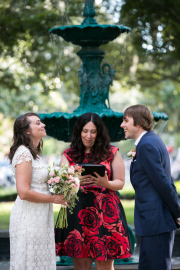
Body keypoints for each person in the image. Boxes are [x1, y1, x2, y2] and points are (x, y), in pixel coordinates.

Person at [55, 112, 131, 270]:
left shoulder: (111, 152)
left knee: (105, 264)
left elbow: (120, 183)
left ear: (99, 133)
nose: (88, 135)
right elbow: (60, 186)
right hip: (77, 213)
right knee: (81, 265)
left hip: (106, 213)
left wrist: (105, 182)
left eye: (93, 131)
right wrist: (74, 182)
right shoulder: (68, 154)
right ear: (79, 132)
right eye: (85, 131)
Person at [121, 104, 180, 270]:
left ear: (138, 123)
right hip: (152, 222)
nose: (122, 125)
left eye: (126, 120)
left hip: (156, 222)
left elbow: (163, 182)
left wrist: (178, 211)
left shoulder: (147, 145)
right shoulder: (149, 141)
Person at [8, 112, 68, 270]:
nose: (43, 125)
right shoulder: (24, 153)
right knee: (30, 262)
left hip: (41, 216)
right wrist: (53, 199)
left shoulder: (35, 153)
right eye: (38, 123)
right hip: (28, 218)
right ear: (27, 131)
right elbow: (24, 192)